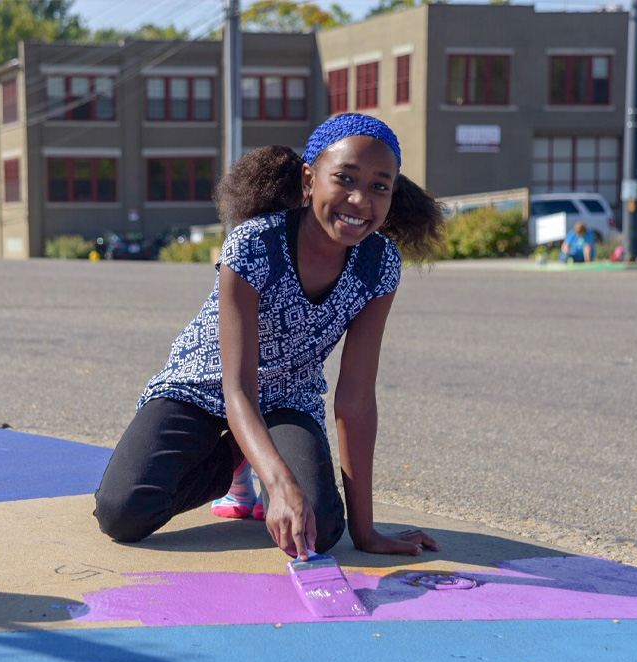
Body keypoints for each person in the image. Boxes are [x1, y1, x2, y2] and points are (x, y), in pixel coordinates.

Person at [94, 113, 444, 561]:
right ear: (308, 179)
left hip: (287, 399)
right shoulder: (253, 245)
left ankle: (257, 460)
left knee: (320, 526)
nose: (360, 200)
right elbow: (236, 388)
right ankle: (237, 465)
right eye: (344, 178)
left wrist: (366, 532)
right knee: (122, 513)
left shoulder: (379, 265)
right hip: (202, 387)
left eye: (380, 186)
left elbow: (355, 399)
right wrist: (279, 484)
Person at [209, 145, 305, 521]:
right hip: (277, 379)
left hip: (241, 374)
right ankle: (255, 487)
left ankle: (241, 487)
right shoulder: (262, 243)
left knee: (246, 404)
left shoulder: (246, 242)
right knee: (253, 408)